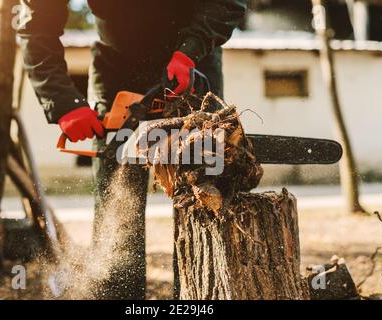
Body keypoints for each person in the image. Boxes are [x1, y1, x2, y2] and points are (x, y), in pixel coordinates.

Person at [18, 0, 246, 299]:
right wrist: (63, 102)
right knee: (117, 195)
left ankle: (201, 296)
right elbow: (38, 27)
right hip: (117, 71)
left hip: (193, 65)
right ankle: (118, 293)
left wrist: (190, 50)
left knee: (204, 194)